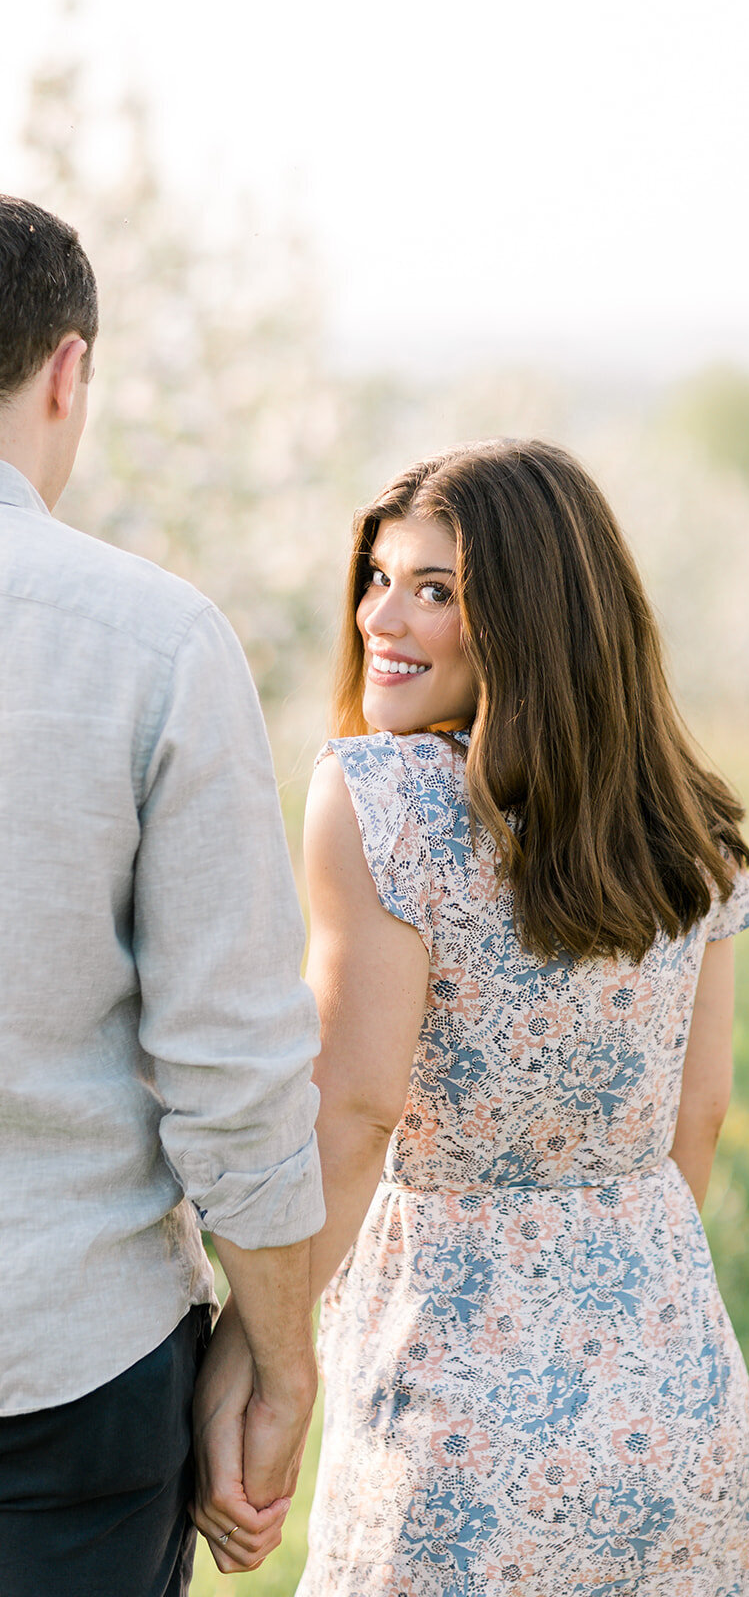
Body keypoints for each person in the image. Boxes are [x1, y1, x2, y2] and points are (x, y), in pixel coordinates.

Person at [293, 438, 749, 1594]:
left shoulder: (380, 798)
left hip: (450, 1394)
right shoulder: (681, 820)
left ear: (528, 618)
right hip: (670, 1379)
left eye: (436, 590)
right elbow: (694, 1119)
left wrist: (257, 1354)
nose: (381, 618)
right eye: (380, 577)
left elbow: (351, 1115)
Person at [0, 194, 325, 1596]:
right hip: (64, 1358)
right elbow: (230, 1067)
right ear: (70, 369)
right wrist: (277, 1358)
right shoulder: (151, 642)